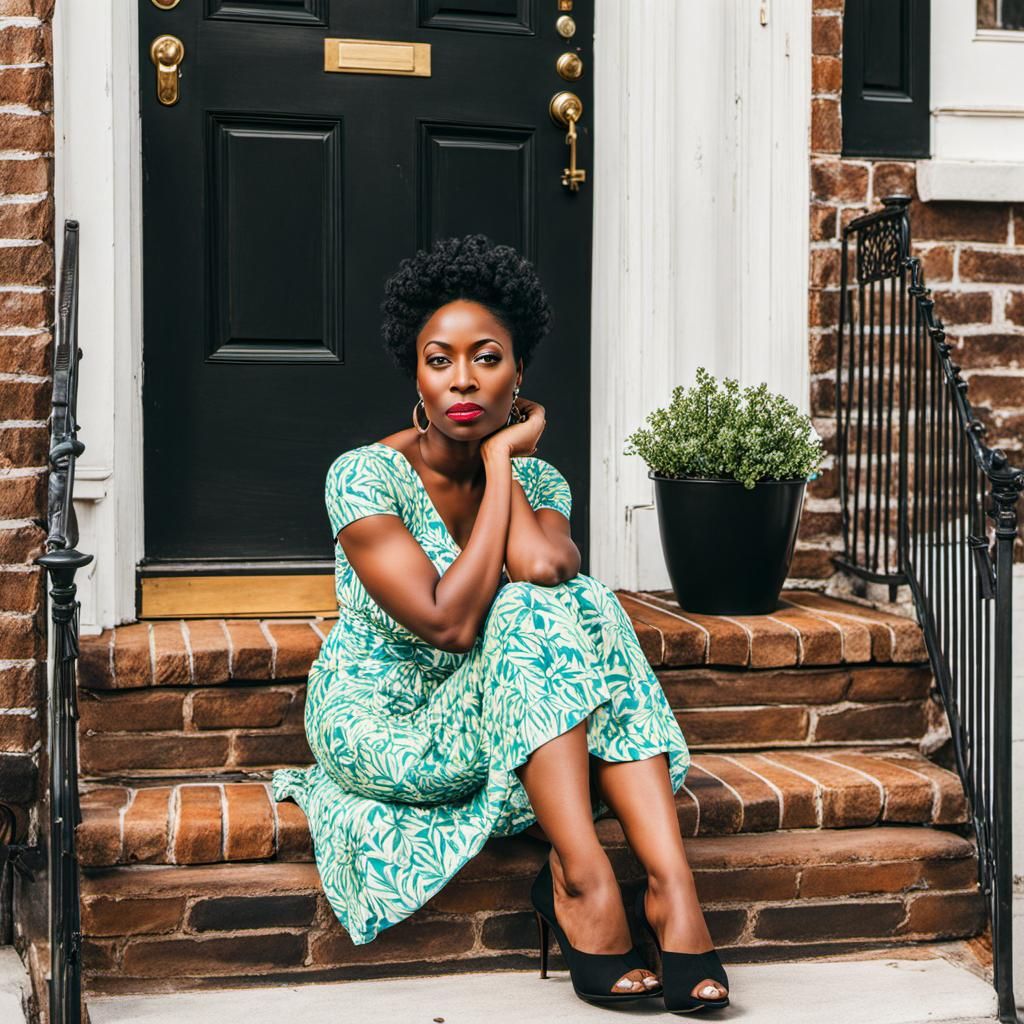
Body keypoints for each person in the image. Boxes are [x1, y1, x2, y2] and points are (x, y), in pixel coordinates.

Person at [271, 234, 730, 1012]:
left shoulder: (535, 476)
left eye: (486, 359)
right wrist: (497, 462)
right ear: (414, 372)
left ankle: (670, 887)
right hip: (387, 721)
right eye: (439, 359)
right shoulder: (363, 475)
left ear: (519, 375)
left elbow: (550, 571)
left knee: (574, 597)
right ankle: (583, 880)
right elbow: (448, 623)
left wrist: (503, 469)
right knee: (532, 605)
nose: (462, 381)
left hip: (503, 706)